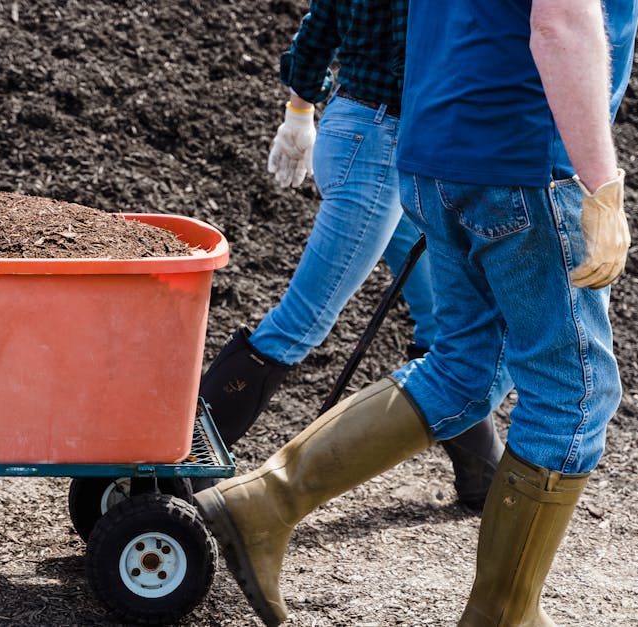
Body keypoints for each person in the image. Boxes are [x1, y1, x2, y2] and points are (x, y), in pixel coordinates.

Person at [194, 0, 638, 624]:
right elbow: (559, 22)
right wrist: (602, 185)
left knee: (463, 368)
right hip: (525, 159)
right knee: (573, 393)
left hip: (433, 152)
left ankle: (265, 501)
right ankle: (502, 617)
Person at [197, 0, 502, 511]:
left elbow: (316, 33)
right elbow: (419, 61)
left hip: (359, 129)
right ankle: (172, 469)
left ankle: (483, 476)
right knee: (301, 322)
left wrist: (299, 111)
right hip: (385, 144)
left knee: (443, 322)